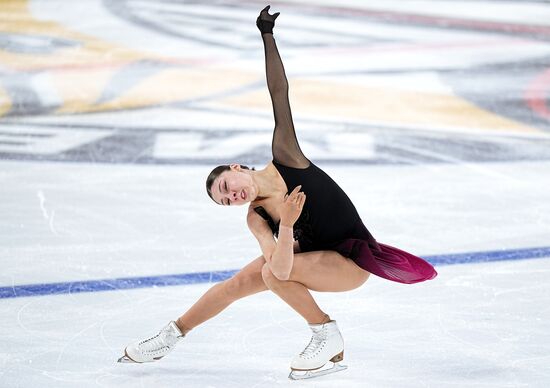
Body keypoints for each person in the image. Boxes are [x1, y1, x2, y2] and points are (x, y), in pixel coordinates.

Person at [119, 6, 437, 379]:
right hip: (305, 259)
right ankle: (170, 336)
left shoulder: (287, 157)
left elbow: (278, 93)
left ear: (237, 167)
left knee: (271, 275)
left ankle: (325, 332)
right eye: (225, 201)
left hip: (349, 265)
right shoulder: (257, 216)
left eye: (226, 187)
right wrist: (285, 225)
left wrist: (266, 35)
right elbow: (281, 266)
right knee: (238, 283)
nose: (232, 197)